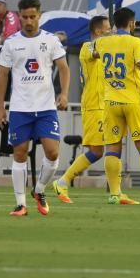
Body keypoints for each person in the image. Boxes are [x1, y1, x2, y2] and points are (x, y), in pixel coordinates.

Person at [0, 0, 69, 217]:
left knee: (53, 152)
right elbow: (2, 75)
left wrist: (64, 94)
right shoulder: (11, 43)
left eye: (33, 17)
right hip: (20, 108)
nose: (29, 21)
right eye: (25, 17)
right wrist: (0, 107)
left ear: (40, 16)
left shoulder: (51, 40)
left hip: (46, 107)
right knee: (19, 153)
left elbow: (64, 68)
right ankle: (20, 204)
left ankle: (39, 191)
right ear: (19, 17)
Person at [94, 7, 140, 206]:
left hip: (111, 102)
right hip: (133, 101)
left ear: (115, 23)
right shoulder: (136, 42)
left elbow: (94, 52)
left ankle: (115, 193)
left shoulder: (103, 42)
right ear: (132, 23)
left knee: (113, 148)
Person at [50, 15, 109, 202]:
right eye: (108, 29)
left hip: (106, 105)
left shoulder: (105, 49)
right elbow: (97, 52)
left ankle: (116, 192)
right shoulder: (87, 47)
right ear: (99, 31)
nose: (111, 32)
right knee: (97, 151)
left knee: (112, 148)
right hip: (94, 106)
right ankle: (63, 181)